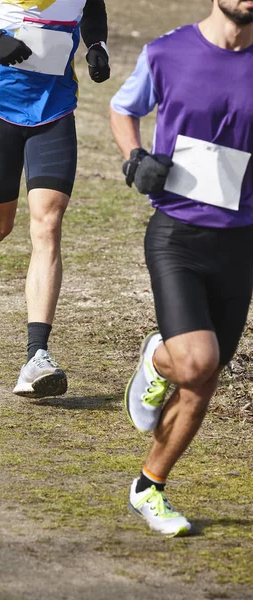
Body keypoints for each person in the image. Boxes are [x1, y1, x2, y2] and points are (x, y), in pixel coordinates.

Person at [110, 0, 253, 536]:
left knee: (203, 378)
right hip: (177, 234)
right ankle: (161, 356)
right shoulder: (167, 52)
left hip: (240, 241)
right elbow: (123, 110)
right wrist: (134, 158)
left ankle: (149, 487)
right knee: (198, 361)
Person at [0, 0, 110, 398]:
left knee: (48, 222)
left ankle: (37, 355)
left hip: (55, 107)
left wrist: (96, 44)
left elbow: (93, 5)